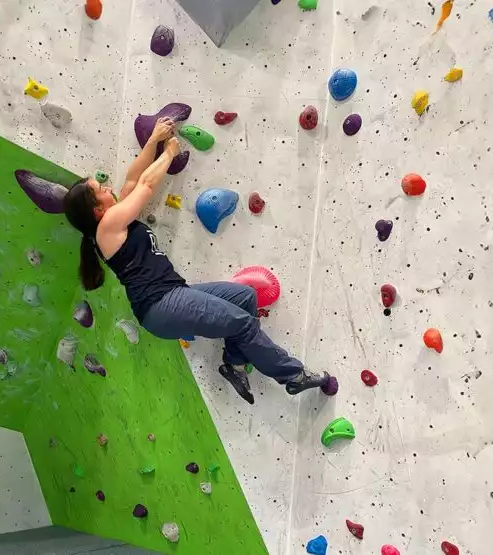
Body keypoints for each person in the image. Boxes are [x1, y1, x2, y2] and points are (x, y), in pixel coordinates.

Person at [62, 117, 331, 404]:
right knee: (242, 324)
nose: (108, 188)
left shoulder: (114, 220)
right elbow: (146, 186)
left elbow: (133, 179)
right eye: (100, 191)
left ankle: (235, 365)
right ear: (96, 211)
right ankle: (293, 376)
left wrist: (154, 140)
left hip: (174, 293)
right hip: (160, 306)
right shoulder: (107, 227)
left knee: (245, 297)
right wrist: (168, 153)